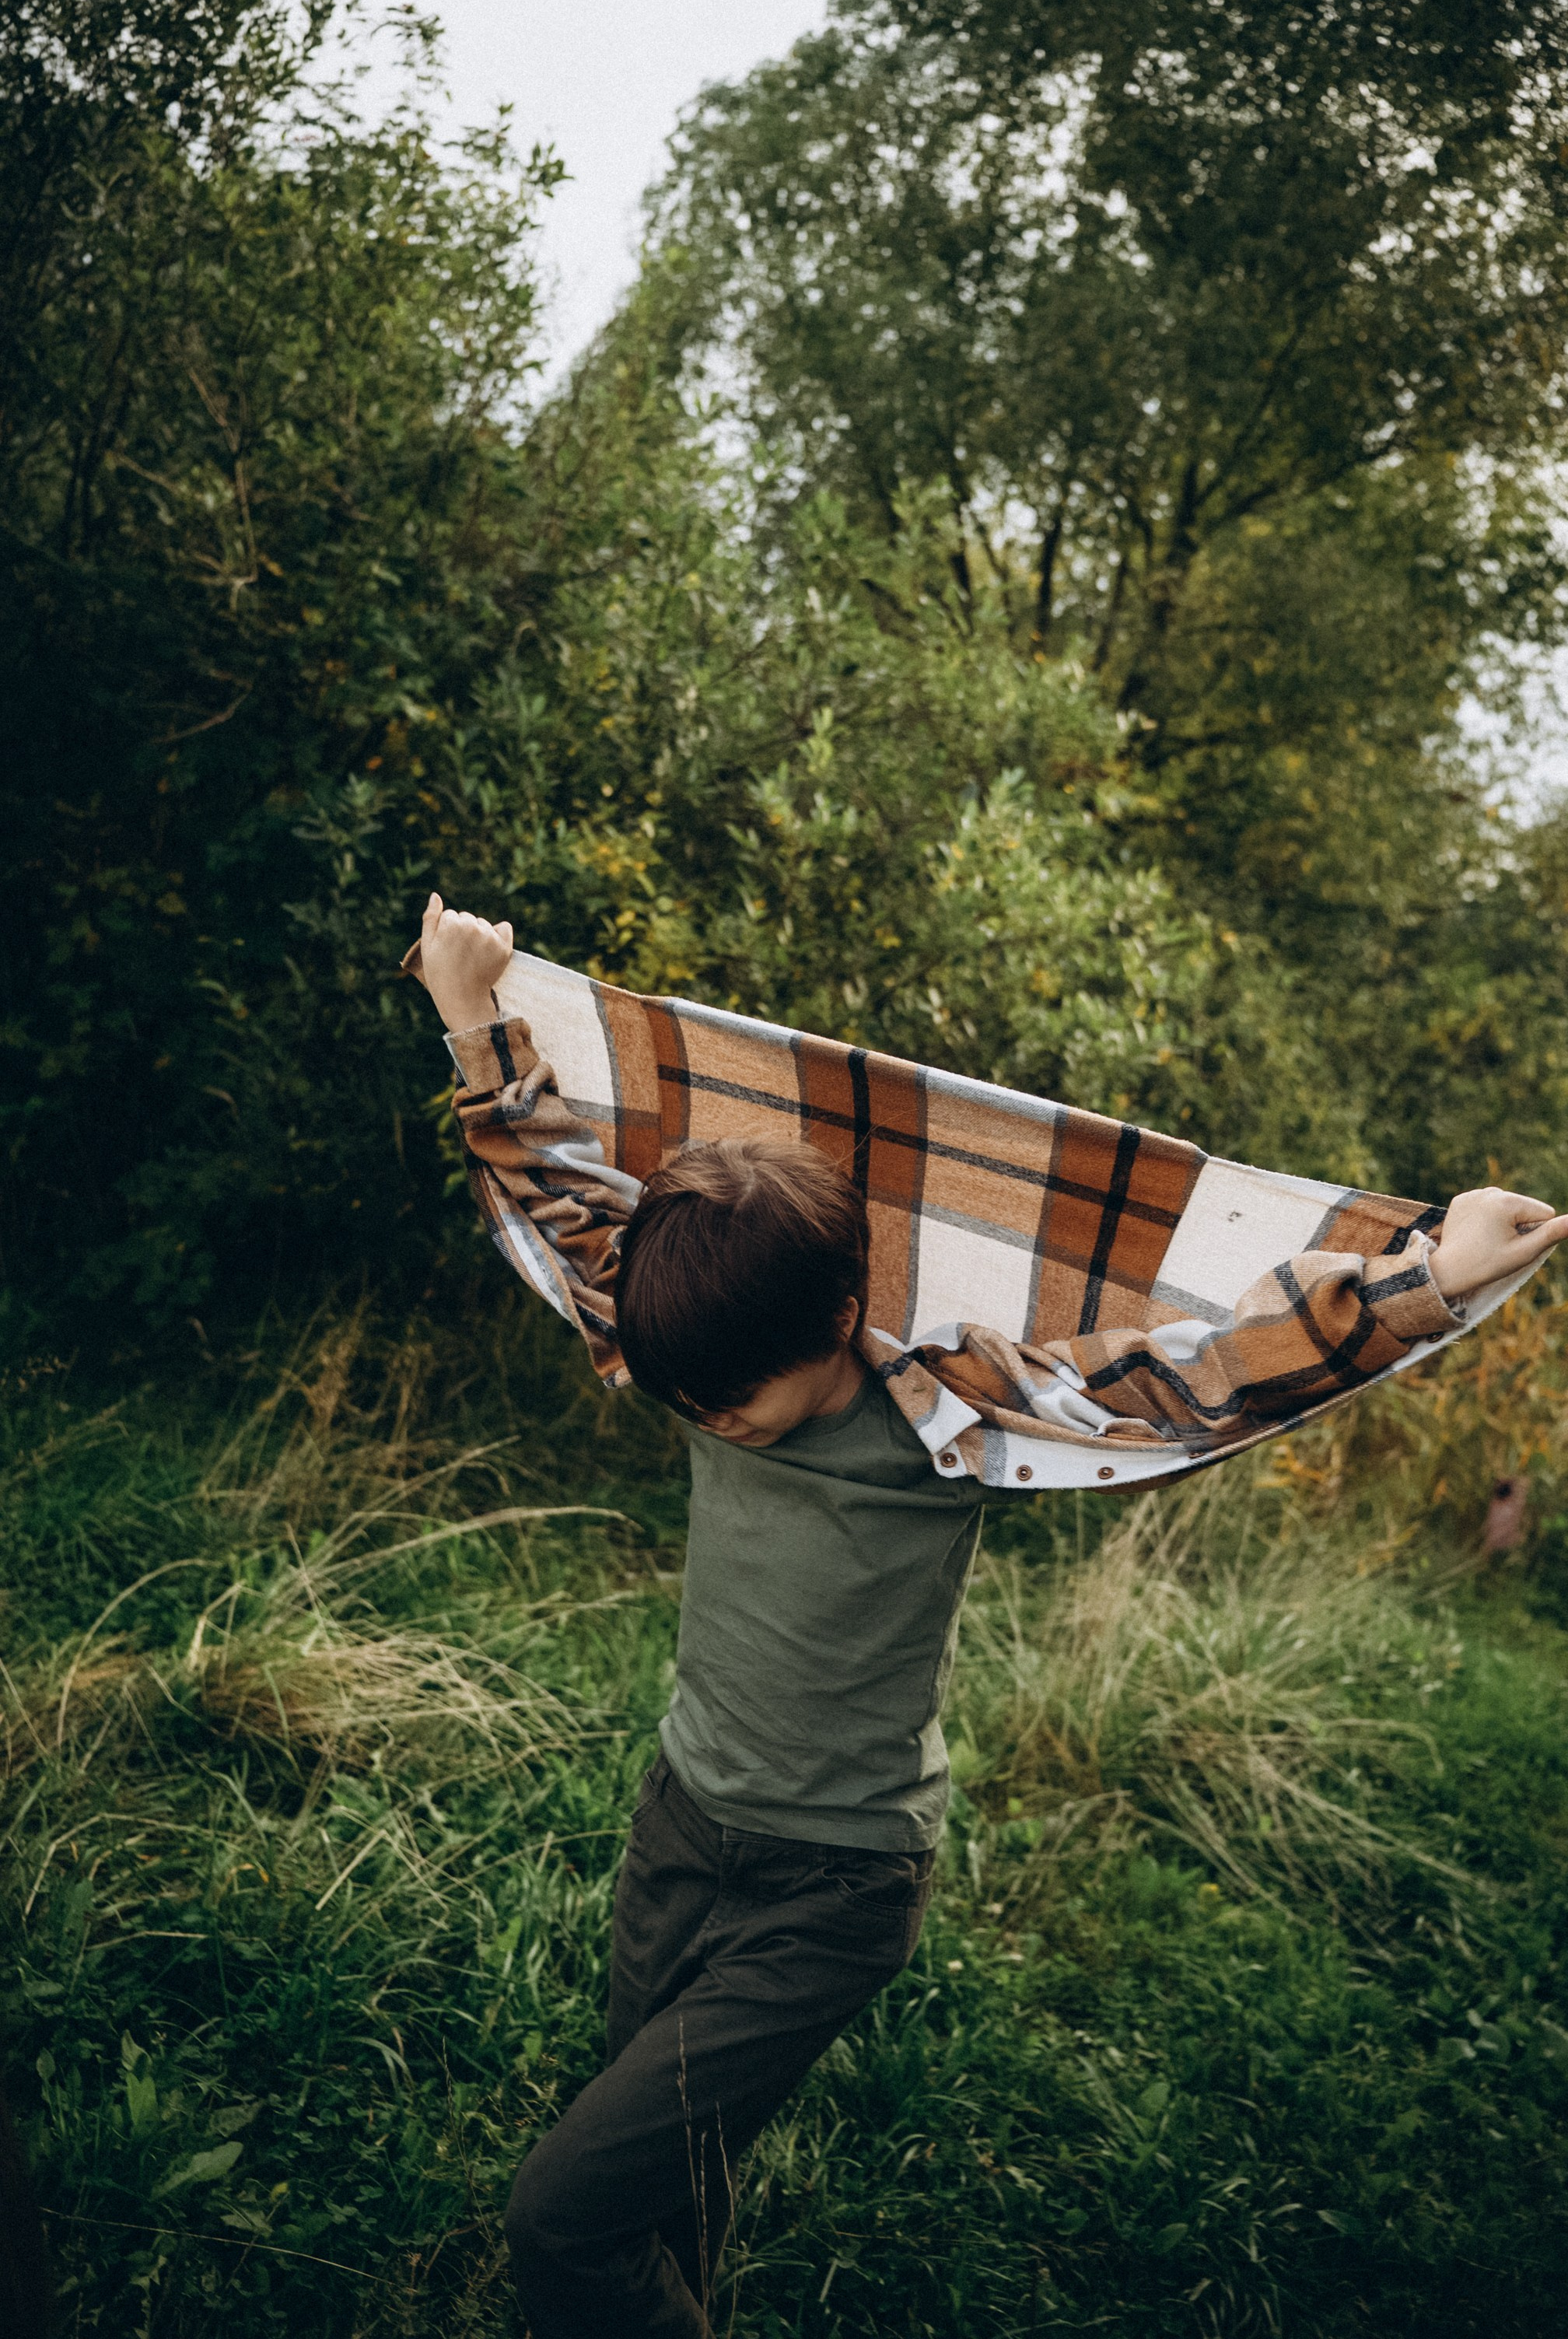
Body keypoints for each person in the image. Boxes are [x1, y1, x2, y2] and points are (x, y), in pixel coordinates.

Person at [410, 893, 1568, 2339]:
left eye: (733, 1408)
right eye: (688, 1398)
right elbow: (559, 1199)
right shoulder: (690, 1335)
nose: (706, 1421)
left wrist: (1433, 1273)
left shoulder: (950, 1415)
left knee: (561, 2215)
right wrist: (473, 1012)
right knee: (663, 2184)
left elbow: (1197, 1374)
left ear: (837, 1325)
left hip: (835, 1888)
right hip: (682, 1824)